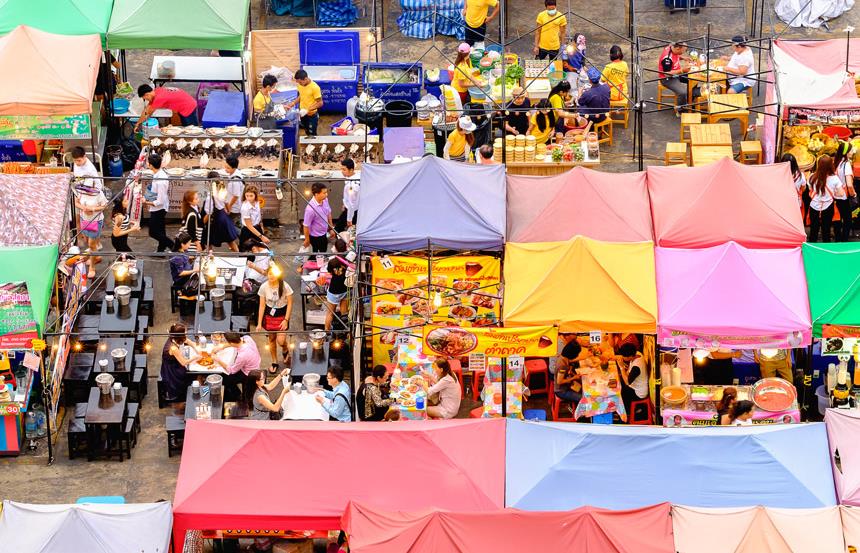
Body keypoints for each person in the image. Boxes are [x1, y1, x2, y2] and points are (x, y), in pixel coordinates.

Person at [257, 267, 294, 365]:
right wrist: (259, 323)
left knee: (281, 341)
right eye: (269, 274)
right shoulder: (263, 287)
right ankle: (274, 361)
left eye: (273, 274)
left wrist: (286, 319)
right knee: (271, 339)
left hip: (282, 315)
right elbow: (262, 305)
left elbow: (290, 303)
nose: (271, 276)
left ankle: (285, 349)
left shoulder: (285, 286)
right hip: (269, 315)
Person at [212, 332, 262, 400]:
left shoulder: (242, 356)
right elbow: (236, 341)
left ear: (231, 343)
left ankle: (236, 395)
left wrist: (218, 360)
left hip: (249, 373)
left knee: (225, 379)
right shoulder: (247, 338)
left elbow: (232, 370)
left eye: (228, 343)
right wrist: (221, 347)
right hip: (256, 364)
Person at [74, 186, 107, 278]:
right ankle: (96, 258)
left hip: (96, 221)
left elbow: (104, 206)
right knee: (88, 242)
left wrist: (92, 209)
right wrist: (84, 208)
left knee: (91, 244)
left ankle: (92, 267)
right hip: (84, 220)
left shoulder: (99, 193)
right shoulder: (80, 192)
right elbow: (76, 203)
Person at [808, 154, 841, 242]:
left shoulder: (811, 177)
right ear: (831, 165)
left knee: (813, 230)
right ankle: (825, 251)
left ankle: (812, 250)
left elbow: (810, 191)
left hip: (814, 206)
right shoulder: (835, 179)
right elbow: (841, 194)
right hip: (828, 207)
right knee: (826, 231)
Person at [161, 323, 197, 402]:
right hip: (172, 369)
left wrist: (196, 348)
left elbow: (188, 341)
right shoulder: (173, 348)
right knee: (189, 374)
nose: (186, 333)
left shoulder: (176, 337)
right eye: (185, 332)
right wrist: (195, 357)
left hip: (176, 361)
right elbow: (183, 363)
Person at [203, 172, 240, 252]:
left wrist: (202, 223)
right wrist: (228, 211)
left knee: (208, 241)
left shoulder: (210, 197)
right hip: (223, 216)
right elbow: (226, 202)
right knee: (230, 241)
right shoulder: (222, 190)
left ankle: (208, 258)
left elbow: (208, 213)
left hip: (215, 219)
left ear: (209, 182)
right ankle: (238, 256)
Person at [144, 153, 173, 252]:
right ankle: (161, 250)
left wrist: (146, 202)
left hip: (159, 209)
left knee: (153, 232)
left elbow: (160, 201)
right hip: (158, 207)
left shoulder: (161, 180)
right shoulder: (157, 174)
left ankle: (173, 246)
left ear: (151, 165)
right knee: (160, 230)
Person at [659, 42, 696, 114]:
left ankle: (689, 99)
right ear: (677, 48)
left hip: (676, 74)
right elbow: (667, 74)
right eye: (683, 51)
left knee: (694, 79)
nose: (684, 52)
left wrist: (683, 57)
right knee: (682, 92)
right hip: (667, 79)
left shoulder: (672, 47)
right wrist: (682, 70)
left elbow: (675, 55)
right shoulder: (667, 59)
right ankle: (681, 110)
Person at [287, 69, 323, 136]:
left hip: (311, 115)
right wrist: (293, 103)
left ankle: (314, 145)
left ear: (305, 79)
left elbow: (320, 103)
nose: (299, 84)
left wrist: (307, 110)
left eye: (300, 82)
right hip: (303, 114)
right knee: (306, 131)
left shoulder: (315, 87)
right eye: (298, 82)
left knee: (312, 134)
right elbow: (301, 95)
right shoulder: (300, 85)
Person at [616, 343, 648, 417]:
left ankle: (628, 412)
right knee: (618, 381)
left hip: (639, 393)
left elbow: (627, 382)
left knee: (620, 389)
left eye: (624, 356)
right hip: (635, 385)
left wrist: (621, 367)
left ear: (630, 356)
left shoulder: (637, 367)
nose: (622, 358)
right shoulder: (637, 353)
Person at [833, 141, 856, 241]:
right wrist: (853, 194)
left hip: (834, 196)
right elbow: (849, 184)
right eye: (851, 150)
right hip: (844, 197)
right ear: (846, 153)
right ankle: (844, 240)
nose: (852, 152)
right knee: (847, 220)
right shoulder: (846, 165)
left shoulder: (835, 162)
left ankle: (838, 238)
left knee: (837, 218)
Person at [303, 182, 335, 252]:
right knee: (315, 255)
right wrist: (307, 239)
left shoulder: (325, 200)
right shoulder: (310, 209)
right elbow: (306, 226)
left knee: (323, 251)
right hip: (315, 236)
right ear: (316, 194)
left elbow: (328, 213)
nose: (326, 194)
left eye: (326, 192)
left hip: (324, 233)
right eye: (324, 193)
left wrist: (331, 228)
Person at [555, 341, 584, 407]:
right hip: (561, 391)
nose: (577, 355)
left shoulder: (563, 358)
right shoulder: (562, 365)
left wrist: (572, 373)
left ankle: (573, 405)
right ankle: (576, 411)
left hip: (567, 386)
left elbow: (566, 372)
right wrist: (574, 378)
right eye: (577, 353)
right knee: (583, 399)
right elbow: (559, 381)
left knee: (583, 389)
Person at [324, 254, 349, 332]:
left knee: (330, 313)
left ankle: (326, 331)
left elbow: (329, 273)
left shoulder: (332, 264)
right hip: (344, 289)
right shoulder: (345, 266)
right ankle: (344, 329)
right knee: (344, 312)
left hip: (334, 291)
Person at [337, 158, 360, 231]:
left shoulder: (352, 185)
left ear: (351, 170)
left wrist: (349, 219)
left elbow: (351, 203)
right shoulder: (358, 176)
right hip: (355, 208)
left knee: (340, 228)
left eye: (344, 169)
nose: (342, 172)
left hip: (352, 211)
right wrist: (344, 203)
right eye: (341, 169)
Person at [223, 155, 245, 227]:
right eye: (225, 166)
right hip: (233, 206)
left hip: (234, 209)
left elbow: (236, 196)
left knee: (231, 227)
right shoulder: (234, 173)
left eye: (228, 168)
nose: (225, 169)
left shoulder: (235, 180)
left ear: (234, 168)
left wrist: (228, 207)